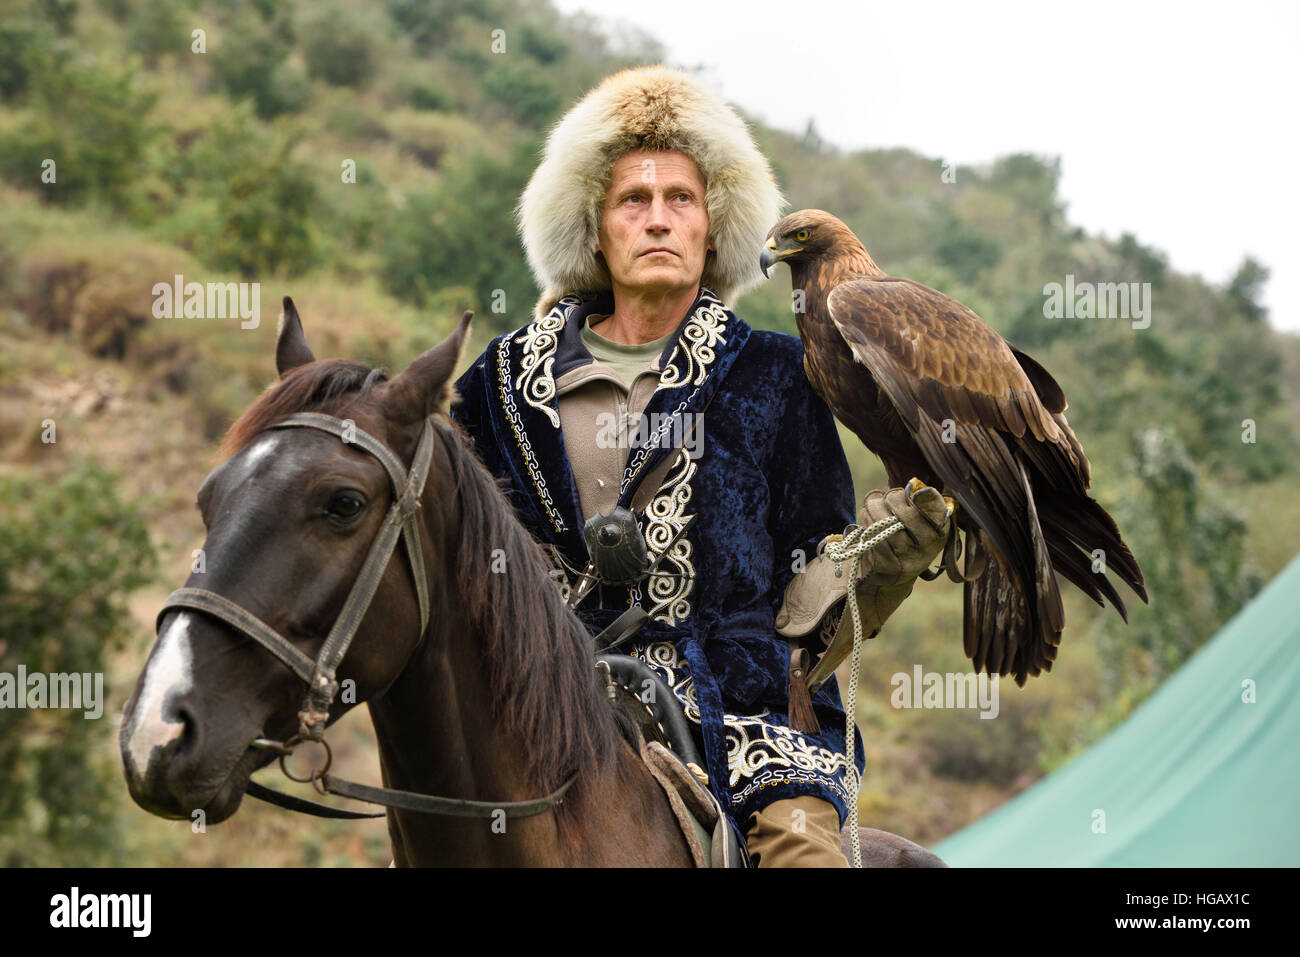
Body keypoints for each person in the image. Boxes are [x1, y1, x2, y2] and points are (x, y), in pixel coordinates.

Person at [451, 65, 948, 866]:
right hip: (538, 721)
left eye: (681, 199)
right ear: (594, 226)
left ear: (714, 227)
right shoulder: (496, 385)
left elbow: (808, 588)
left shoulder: (780, 376)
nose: (658, 220)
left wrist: (881, 560)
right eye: (631, 201)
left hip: (748, 725)